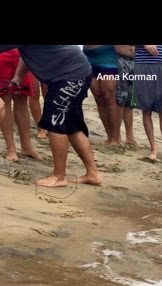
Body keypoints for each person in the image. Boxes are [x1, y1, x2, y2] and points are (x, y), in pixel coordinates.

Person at [0, 45, 102, 187]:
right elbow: (27, 53)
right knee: (71, 125)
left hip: (69, 75)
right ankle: (93, 174)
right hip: (77, 72)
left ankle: (59, 176)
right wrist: (19, 76)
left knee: (55, 122)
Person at [0, 48, 42, 162]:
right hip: (2, 53)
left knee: (22, 100)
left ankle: (27, 146)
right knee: (5, 100)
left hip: (22, 53)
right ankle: (11, 149)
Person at [83, 45, 121, 145]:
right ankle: (109, 136)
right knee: (98, 98)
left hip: (106, 54)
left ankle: (115, 138)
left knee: (109, 97)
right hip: (89, 55)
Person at [114, 45, 137, 146]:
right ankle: (116, 135)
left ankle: (130, 136)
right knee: (120, 99)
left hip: (136, 61)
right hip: (119, 59)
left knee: (130, 101)